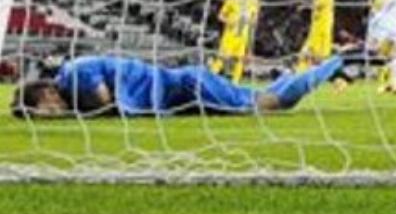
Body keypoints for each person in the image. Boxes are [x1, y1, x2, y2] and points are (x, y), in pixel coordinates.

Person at [12, 53, 348, 119]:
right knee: (261, 97)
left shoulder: (73, 73)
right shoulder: (73, 76)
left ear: (45, 94)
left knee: (271, 103)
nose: (49, 115)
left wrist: (72, 117)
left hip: (190, 86)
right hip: (183, 92)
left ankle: (335, 63)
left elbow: (103, 102)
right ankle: (317, 69)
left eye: (41, 112)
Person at [211, 0, 259, 84]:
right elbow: (220, 16)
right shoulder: (231, 0)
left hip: (243, 36)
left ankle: (235, 82)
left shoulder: (254, 2)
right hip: (230, 36)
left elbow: (255, 19)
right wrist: (228, 21)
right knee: (222, 58)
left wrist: (252, 21)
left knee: (240, 60)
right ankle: (211, 77)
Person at [296, 0, 336, 74]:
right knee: (305, 55)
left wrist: (304, 6)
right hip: (314, 33)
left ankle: (339, 81)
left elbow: (316, 5)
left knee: (320, 60)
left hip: (322, 34)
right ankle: (300, 75)